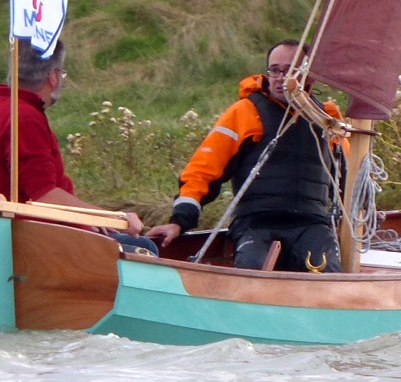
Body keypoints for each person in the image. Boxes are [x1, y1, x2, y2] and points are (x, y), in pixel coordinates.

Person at [147, 39, 348, 272]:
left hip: (310, 224)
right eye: (275, 70)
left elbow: (350, 183)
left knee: (328, 274)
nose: (282, 78)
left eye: (291, 70)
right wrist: (178, 223)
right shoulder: (245, 112)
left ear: (309, 75)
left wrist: (362, 214)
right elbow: (202, 172)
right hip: (256, 224)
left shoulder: (328, 119)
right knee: (251, 273)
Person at [0, 40, 158, 255]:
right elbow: (45, 195)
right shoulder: (23, 118)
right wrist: (113, 217)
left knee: (136, 244)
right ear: (53, 77)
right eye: (62, 73)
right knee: (145, 249)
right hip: (28, 242)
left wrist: (87, 222)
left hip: (4, 232)